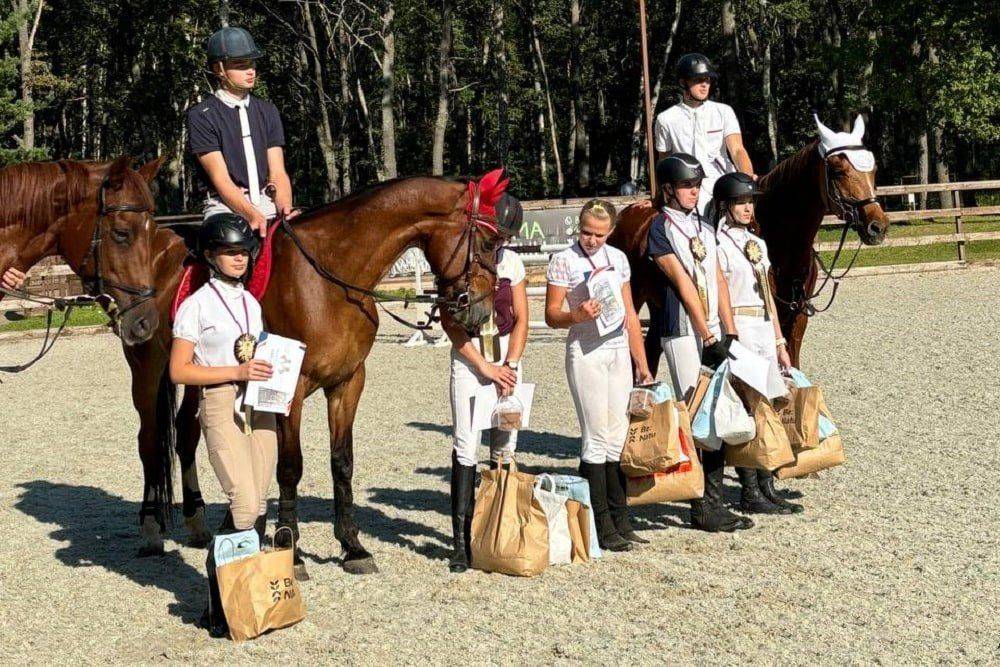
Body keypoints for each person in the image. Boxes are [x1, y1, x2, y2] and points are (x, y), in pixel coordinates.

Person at [169, 212, 277, 636]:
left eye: (243, 252)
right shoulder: (194, 307)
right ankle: (215, 597)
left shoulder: (252, 302)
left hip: (259, 403)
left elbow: (256, 352)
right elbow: (180, 371)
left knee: (262, 503)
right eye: (230, 252)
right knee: (244, 504)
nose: (239, 259)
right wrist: (235, 373)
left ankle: (247, 593)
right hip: (219, 400)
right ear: (211, 256)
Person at [646, 154, 753, 533]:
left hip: (711, 328)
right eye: (687, 186)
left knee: (719, 413)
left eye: (696, 185)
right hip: (682, 330)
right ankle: (701, 505)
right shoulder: (660, 229)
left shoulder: (706, 226)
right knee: (698, 411)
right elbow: (682, 282)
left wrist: (729, 327)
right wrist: (706, 334)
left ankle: (713, 502)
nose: (694, 191)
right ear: (669, 189)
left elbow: (718, 279)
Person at [545, 199, 654, 552]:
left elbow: (630, 315)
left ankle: (621, 516)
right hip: (586, 351)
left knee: (617, 436)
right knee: (594, 437)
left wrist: (642, 363)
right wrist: (575, 315)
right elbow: (551, 314)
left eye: (599, 234)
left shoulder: (618, 259)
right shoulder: (564, 260)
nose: (591, 240)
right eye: (587, 233)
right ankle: (601, 522)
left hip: (618, 350)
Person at [440, 194, 528, 573]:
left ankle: (496, 528)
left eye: (505, 237)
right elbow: (450, 323)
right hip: (471, 356)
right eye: (496, 236)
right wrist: (485, 367)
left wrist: (510, 364)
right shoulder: (459, 258)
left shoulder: (513, 262)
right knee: (466, 443)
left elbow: (522, 318)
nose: (501, 243)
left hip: (506, 354)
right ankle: (461, 541)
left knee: (506, 441)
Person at [712, 172, 803, 515]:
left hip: (763, 325)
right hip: (739, 325)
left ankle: (767, 483)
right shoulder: (718, 246)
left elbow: (768, 295)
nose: (748, 208)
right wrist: (730, 334)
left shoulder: (758, 244)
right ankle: (749, 488)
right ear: (725, 206)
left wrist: (779, 339)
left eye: (750, 202)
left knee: (771, 403)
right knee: (749, 406)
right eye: (740, 202)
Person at [187, 26, 296, 236]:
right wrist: (252, 215)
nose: (250, 71)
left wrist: (285, 210)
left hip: (268, 202)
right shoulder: (201, 115)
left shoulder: (268, 110)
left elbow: (278, 172)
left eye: (252, 64)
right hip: (225, 207)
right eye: (240, 65)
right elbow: (221, 179)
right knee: (233, 248)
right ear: (219, 69)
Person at [653, 53, 755, 215]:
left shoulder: (723, 111)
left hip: (722, 183)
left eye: (707, 80)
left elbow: (737, 150)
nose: (704, 85)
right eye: (698, 80)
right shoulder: (665, 119)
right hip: (687, 189)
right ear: (683, 82)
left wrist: (747, 179)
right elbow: (664, 160)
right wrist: (660, 194)